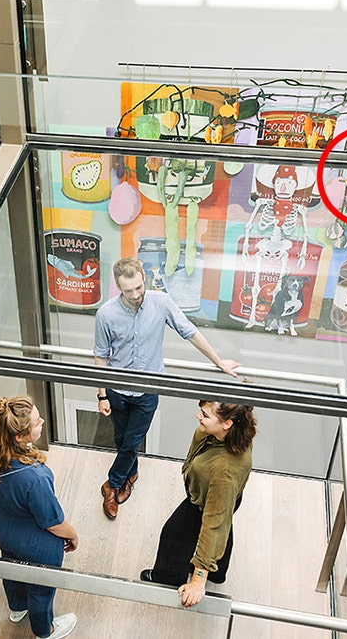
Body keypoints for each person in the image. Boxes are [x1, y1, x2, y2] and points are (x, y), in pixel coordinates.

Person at [94, 257, 242, 519]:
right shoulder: (105, 314)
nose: (137, 295)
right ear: (119, 288)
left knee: (131, 442)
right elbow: (101, 356)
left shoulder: (160, 302)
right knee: (122, 439)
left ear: (143, 279)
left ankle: (111, 485)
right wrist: (102, 394)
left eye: (140, 287)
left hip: (148, 391)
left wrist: (218, 362)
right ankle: (131, 473)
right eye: (129, 291)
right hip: (117, 390)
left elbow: (190, 331)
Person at [0, 395, 79, 639]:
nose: (42, 421)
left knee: (11, 571)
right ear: (20, 436)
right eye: (37, 422)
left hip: (4, 530)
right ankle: (45, 630)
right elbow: (52, 522)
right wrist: (73, 535)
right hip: (38, 545)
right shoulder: (35, 477)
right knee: (41, 590)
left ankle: (17, 608)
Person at [140, 401, 258, 609]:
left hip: (205, 502)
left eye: (205, 415)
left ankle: (167, 578)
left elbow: (214, 524)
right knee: (225, 526)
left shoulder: (224, 473)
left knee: (173, 535)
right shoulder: (238, 431)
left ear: (227, 423)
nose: (198, 416)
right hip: (224, 497)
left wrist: (198, 579)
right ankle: (217, 572)